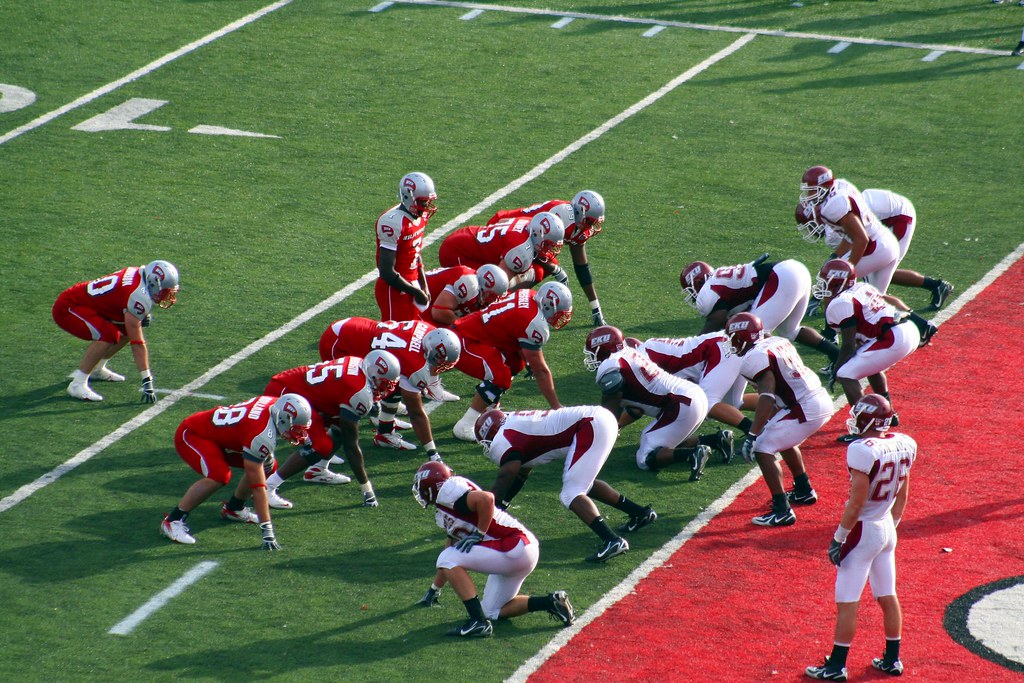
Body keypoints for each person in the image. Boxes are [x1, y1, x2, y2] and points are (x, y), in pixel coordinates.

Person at [805, 394, 915, 681]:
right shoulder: (904, 442)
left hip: (864, 528)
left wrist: (839, 537)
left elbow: (856, 501)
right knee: (887, 594)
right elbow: (903, 491)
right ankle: (892, 659)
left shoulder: (861, 450)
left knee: (847, 600)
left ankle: (837, 665)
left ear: (866, 420)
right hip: (886, 526)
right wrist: (892, 525)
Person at [411, 460, 575, 637]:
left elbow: (487, 498)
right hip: (519, 551)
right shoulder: (445, 508)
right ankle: (551, 602)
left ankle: (478, 623)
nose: (419, 491)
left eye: (421, 486)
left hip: (513, 545)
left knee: (447, 558)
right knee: (491, 610)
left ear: (433, 486)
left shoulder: (449, 491)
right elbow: (450, 547)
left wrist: (480, 533)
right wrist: (434, 589)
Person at [474, 405, 656, 563]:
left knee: (571, 493)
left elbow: (508, 473)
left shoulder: (503, 439)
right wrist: (501, 506)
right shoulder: (513, 423)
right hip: (596, 419)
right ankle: (639, 513)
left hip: (590, 425)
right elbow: (521, 471)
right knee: (582, 483)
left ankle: (612, 540)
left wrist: (490, 506)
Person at [160, 393, 312, 548]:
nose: (298, 433)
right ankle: (172, 521)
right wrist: (267, 531)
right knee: (219, 475)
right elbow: (259, 489)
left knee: (267, 464)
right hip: (193, 434)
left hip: (222, 438)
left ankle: (234, 508)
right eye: (295, 428)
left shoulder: (274, 404)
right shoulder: (262, 435)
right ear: (282, 419)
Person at [724, 312, 834, 528]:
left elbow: (767, 396)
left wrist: (753, 434)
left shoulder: (754, 357)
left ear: (743, 337)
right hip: (813, 399)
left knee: (763, 447)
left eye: (733, 336)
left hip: (805, 406)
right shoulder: (776, 341)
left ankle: (782, 510)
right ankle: (803, 489)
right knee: (780, 437)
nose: (731, 341)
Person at [813, 259, 937, 442]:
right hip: (906, 330)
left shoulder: (840, 302)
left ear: (837, 282)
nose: (821, 284)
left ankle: (865, 428)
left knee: (846, 373)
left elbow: (848, 346)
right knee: (868, 362)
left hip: (894, 337)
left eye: (825, 280)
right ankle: (889, 415)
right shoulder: (861, 288)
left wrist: (835, 370)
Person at [260, 353, 400, 510]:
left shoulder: (359, 364)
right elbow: (351, 446)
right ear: (373, 373)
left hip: (301, 391)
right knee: (321, 445)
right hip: (287, 393)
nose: (385, 389)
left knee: (340, 426)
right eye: (384, 383)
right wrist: (366, 488)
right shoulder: (359, 390)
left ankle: (318, 470)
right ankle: (269, 487)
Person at [319, 317, 461, 457]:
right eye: (440, 361)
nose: (442, 367)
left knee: (393, 382)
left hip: (356, 327)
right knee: (344, 399)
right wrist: (432, 452)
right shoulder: (415, 366)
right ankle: (320, 447)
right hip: (340, 341)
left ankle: (385, 433)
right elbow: (416, 413)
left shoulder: (428, 330)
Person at [450, 282, 574, 441]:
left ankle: (489, 407)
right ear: (549, 305)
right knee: (501, 376)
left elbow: (514, 333)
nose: (561, 317)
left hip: (477, 334)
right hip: (465, 341)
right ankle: (465, 425)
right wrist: (556, 407)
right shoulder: (534, 323)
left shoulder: (529, 294)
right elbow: (541, 371)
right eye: (559, 312)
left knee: (517, 363)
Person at [584, 325, 712, 478]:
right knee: (664, 441)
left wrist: (601, 432)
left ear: (603, 349)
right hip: (691, 397)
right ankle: (716, 440)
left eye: (592, 352)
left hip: (681, 403)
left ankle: (693, 454)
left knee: (645, 457)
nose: (590, 357)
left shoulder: (611, 364)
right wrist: (616, 425)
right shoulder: (630, 354)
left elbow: (610, 403)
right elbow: (635, 409)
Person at [52, 260, 179, 402]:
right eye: (164, 291)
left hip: (89, 305)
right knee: (108, 335)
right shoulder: (138, 295)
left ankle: (97, 368)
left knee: (125, 331)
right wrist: (147, 380)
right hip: (69, 308)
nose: (166, 295)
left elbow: (118, 301)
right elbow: (137, 343)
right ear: (153, 283)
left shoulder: (139, 273)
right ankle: (77, 384)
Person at [679, 256, 839, 366]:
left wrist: (688, 352)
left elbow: (715, 326)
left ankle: (791, 371)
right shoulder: (718, 280)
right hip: (795, 270)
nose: (693, 297)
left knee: (755, 334)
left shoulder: (708, 293)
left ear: (698, 282)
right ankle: (836, 354)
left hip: (782, 277)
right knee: (789, 331)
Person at [487, 190, 608, 325]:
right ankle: (496, 302)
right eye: (591, 222)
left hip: (522, 243)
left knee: (540, 271)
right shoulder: (562, 216)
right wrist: (557, 270)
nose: (591, 227)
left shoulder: (576, 226)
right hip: (505, 231)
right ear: (580, 212)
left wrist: (595, 307)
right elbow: (531, 245)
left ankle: (502, 301)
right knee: (536, 268)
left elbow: (581, 267)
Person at [635, 331, 750, 462]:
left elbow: (634, 408)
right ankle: (717, 440)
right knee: (732, 404)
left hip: (723, 349)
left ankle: (755, 434)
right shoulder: (647, 350)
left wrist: (618, 423)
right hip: (727, 345)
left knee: (707, 404)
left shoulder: (640, 363)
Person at [797, 165, 901, 294]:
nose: (808, 195)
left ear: (824, 187)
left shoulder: (832, 206)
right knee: (878, 301)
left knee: (833, 282)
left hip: (876, 248)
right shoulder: (840, 186)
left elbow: (861, 239)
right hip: (886, 242)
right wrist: (835, 256)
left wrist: (847, 270)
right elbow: (851, 235)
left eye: (812, 190)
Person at [860, 188, 953, 310]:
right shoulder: (843, 206)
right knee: (879, 271)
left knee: (875, 290)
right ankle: (936, 286)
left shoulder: (851, 213)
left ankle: (918, 323)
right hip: (888, 219)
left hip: (901, 220)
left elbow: (859, 242)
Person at [437, 211, 565, 291]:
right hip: (458, 252)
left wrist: (555, 269)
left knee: (541, 269)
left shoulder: (528, 223)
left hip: (467, 234)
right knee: (480, 292)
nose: (550, 249)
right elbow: (497, 284)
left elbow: (501, 221)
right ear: (538, 235)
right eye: (548, 244)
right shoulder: (521, 250)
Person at [375, 172, 436, 321]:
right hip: (394, 289)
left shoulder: (421, 215)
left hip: (412, 283)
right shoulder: (393, 223)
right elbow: (386, 272)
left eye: (428, 201)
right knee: (394, 337)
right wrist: (416, 292)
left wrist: (423, 285)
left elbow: (415, 252)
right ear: (409, 197)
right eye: (423, 202)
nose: (427, 206)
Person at [421, 264, 509, 327]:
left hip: (431, 303)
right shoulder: (469, 283)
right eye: (492, 296)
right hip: (417, 302)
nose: (492, 301)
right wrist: (465, 324)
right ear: (484, 287)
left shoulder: (477, 287)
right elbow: (438, 312)